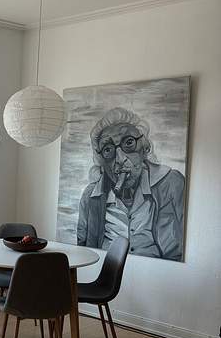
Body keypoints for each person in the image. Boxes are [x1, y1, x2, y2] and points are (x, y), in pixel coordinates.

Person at [77, 107, 184, 261]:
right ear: (101, 161)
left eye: (129, 143)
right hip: (107, 272)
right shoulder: (90, 196)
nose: (120, 159)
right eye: (108, 150)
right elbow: (82, 249)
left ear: (144, 148)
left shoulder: (172, 183)